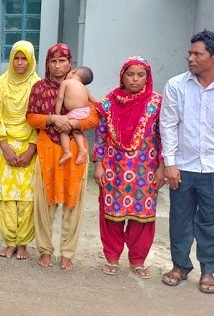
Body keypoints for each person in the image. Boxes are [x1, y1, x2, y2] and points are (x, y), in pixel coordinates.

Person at [160, 30, 214, 293]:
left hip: (213, 168)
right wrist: (170, 163)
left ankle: (208, 271)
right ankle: (180, 266)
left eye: (197, 54)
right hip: (182, 166)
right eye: (190, 53)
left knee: (209, 222)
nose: (190, 58)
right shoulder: (176, 85)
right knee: (180, 219)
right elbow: (168, 125)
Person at [26, 43, 99, 270]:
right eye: (53, 61)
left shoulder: (79, 87)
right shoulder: (40, 88)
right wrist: (52, 119)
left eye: (62, 61)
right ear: (47, 64)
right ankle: (45, 250)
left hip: (76, 152)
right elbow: (31, 117)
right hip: (48, 149)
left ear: (70, 64)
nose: (57, 66)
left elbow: (95, 116)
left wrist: (74, 123)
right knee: (44, 203)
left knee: (73, 203)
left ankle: (67, 252)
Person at [93, 57, 164, 278]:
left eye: (140, 75)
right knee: (111, 214)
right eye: (130, 74)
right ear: (122, 76)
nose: (135, 79)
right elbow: (100, 136)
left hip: (145, 168)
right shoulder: (108, 102)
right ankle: (112, 258)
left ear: (147, 77)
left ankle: (137, 260)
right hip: (113, 167)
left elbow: (164, 137)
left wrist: (162, 167)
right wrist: (98, 165)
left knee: (142, 216)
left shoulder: (156, 103)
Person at [0, 41, 41, 260]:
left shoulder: (38, 86)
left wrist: (31, 149)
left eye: (24, 59)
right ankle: (10, 242)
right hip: (4, 147)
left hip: (30, 147)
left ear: (31, 61)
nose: (20, 63)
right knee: (5, 198)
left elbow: (39, 119)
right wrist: (4, 146)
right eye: (16, 58)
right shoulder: (0, 84)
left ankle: (23, 244)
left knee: (27, 198)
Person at [56, 66, 97, 165]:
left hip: (75, 112)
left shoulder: (66, 82)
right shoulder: (84, 88)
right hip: (85, 111)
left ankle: (67, 152)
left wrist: (57, 114)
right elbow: (94, 101)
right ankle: (82, 149)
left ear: (73, 72)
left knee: (64, 130)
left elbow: (60, 98)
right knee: (76, 130)